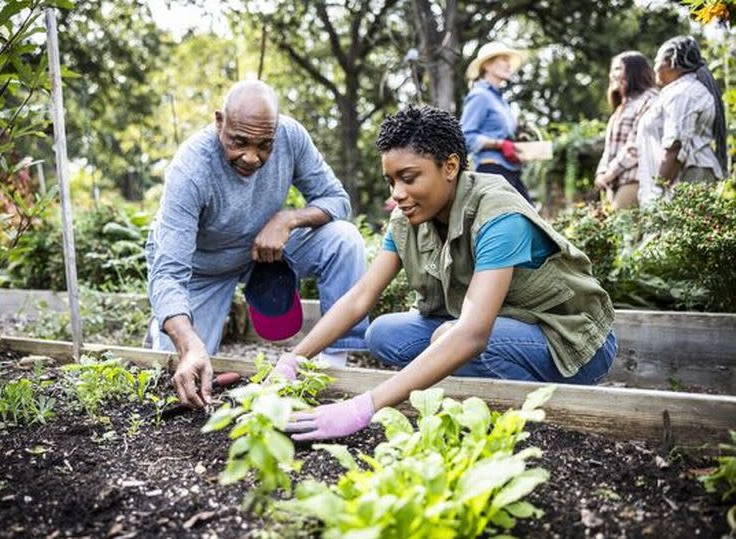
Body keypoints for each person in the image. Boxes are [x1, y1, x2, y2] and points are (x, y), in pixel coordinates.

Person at [278, 105, 617, 442]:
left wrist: (363, 407)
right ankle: (476, 388)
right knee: (383, 334)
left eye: (409, 178)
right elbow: (359, 298)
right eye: (391, 181)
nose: (397, 193)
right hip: (501, 326)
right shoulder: (407, 220)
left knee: (456, 339)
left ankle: (530, 418)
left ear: (450, 166)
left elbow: (471, 334)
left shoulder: (498, 215)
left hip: (570, 343)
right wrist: (293, 360)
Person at [146, 80, 368, 410]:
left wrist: (288, 219)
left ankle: (334, 365)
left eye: (265, 144)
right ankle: (164, 335)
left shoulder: (291, 136)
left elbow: (336, 199)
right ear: (219, 121)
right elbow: (167, 273)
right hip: (201, 269)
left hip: (264, 251)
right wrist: (188, 342)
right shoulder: (191, 169)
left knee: (344, 239)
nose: (251, 156)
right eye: (240, 142)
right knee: (175, 378)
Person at [636, 35, 726, 205]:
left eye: (656, 61)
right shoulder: (682, 90)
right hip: (682, 178)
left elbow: (675, 145)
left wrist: (657, 190)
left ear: (670, 62)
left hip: (686, 179)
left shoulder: (682, 93)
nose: (654, 67)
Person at [459, 41, 532, 203]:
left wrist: (518, 147)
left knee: (531, 217)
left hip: (510, 171)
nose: (508, 65)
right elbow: (465, 137)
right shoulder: (479, 96)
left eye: (509, 61)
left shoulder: (501, 101)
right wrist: (499, 144)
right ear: (487, 65)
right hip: (491, 170)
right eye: (503, 59)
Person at [594, 51, 658, 210]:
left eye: (617, 69)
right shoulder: (621, 107)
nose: (612, 74)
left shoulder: (649, 99)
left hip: (634, 180)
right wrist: (601, 173)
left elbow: (635, 145)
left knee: (622, 231)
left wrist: (609, 173)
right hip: (614, 182)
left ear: (634, 71)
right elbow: (609, 149)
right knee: (611, 231)